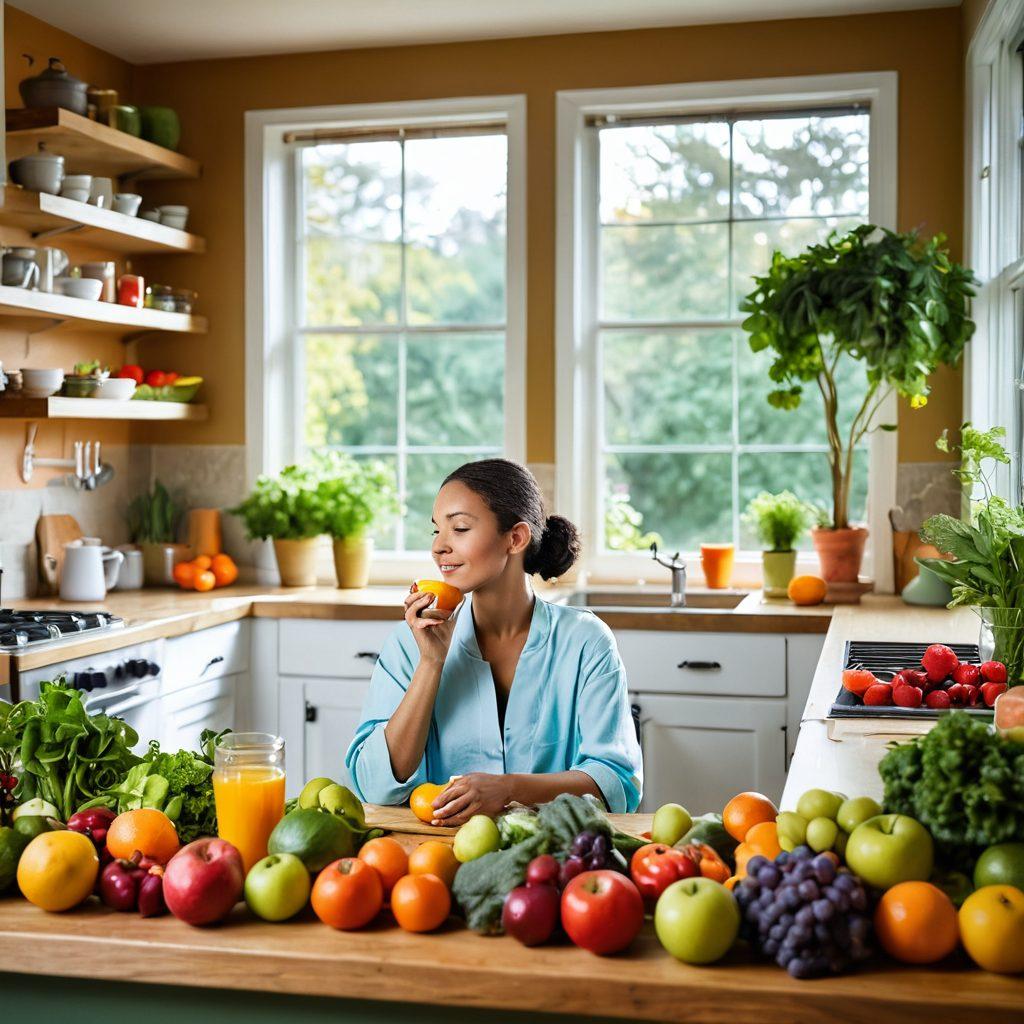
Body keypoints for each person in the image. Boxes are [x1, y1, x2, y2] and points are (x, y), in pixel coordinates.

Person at [345, 459, 643, 825]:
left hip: (551, 857)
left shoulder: (585, 642)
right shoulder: (411, 644)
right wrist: (431, 663)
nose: (439, 547)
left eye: (460, 528)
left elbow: (616, 783)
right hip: (437, 854)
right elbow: (374, 786)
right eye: (436, 531)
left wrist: (509, 788)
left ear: (515, 538)